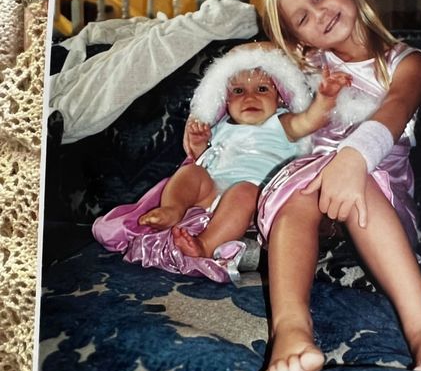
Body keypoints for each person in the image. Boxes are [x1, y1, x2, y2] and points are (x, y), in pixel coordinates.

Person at [257, 0, 421, 371]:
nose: (319, 13)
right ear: (297, 39)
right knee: (303, 192)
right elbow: (258, 90)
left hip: (380, 189)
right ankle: (291, 331)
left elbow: (395, 110)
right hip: (310, 190)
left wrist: (354, 160)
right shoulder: (311, 69)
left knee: (361, 184)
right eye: (302, 17)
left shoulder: (405, 62)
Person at [92, 46, 350, 283]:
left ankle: (205, 244)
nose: (250, 97)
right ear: (225, 100)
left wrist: (325, 99)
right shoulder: (220, 127)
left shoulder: (284, 123)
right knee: (191, 172)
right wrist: (199, 143)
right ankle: (172, 209)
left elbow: (311, 121)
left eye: (262, 89)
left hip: (256, 202)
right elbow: (202, 157)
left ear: (281, 97)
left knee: (244, 190)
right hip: (211, 192)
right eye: (238, 91)